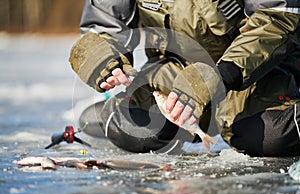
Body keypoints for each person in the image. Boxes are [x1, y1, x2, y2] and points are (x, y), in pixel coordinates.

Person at [69, 0, 300, 156]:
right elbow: (101, 26)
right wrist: (103, 60)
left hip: (250, 69)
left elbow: (277, 18)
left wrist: (222, 75)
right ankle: (113, 112)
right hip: (175, 68)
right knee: (133, 127)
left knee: (268, 136)